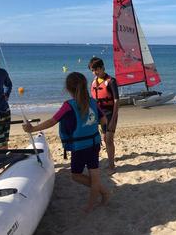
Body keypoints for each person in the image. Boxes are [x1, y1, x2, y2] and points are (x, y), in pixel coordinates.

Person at [22, 72, 111, 212]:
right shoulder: (93, 102)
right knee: (94, 176)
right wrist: (100, 129)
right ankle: (98, 198)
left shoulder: (68, 105)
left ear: (68, 89)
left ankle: (101, 195)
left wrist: (33, 128)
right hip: (94, 144)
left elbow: (52, 121)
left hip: (79, 147)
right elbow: (104, 120)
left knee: (76, 175)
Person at [88, 56, 119, 172]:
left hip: (110, 113)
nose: (94, 72)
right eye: (92, 70)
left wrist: (113, 119)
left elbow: (116, 101)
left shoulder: (111, 81)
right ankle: (110, 160)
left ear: (102, 68)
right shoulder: (94, 82)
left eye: (96, 70)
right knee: (105, 138)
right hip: (99, 114)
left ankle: (112, 166)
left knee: (109, 140)